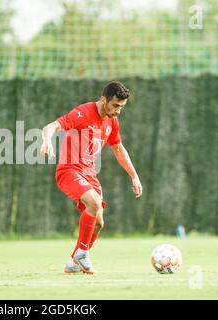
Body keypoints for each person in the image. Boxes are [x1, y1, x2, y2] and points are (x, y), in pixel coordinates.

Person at [40, 81, 142, 274]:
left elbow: (118, 149)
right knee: (94, 203)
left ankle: (73, 262)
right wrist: (47, 141)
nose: (118, 111)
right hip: (69, 170)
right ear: (103, 100)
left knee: (99, 223)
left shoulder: (112, 121)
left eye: (122, 107)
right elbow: (51, 126)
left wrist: (134, 176)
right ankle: (82, 254)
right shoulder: (82, 113)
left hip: (89, 174)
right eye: (115, 106)